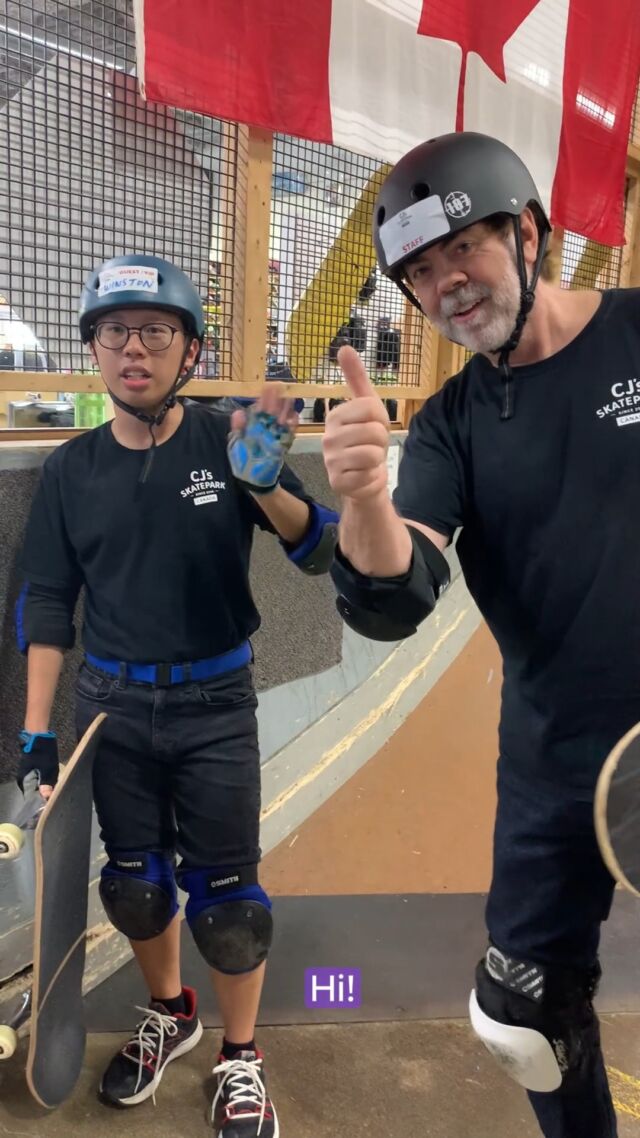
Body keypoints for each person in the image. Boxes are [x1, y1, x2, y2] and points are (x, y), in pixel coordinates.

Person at [322, 131, 640, 1138]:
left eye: (461, 249)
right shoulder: (454, 423)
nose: (445, 284)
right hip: (555, 759)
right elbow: (396, 588)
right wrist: (365, 500)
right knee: (522, 1019)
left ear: (529, 231)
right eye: (419, 274)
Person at [15, 254, 338, 1135]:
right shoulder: (71, 471)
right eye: (113, 332)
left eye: (157, 331)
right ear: (94, 348)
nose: (133, 348)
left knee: (230, 907)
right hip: (110, 710)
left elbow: (316, 551)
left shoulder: (226, 441)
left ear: (189, 350)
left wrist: (267, 485)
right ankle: (172, 1012)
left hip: (215, 706)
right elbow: (47, 603)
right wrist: (38, 734)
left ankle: (241, 1059)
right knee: (135, 889)